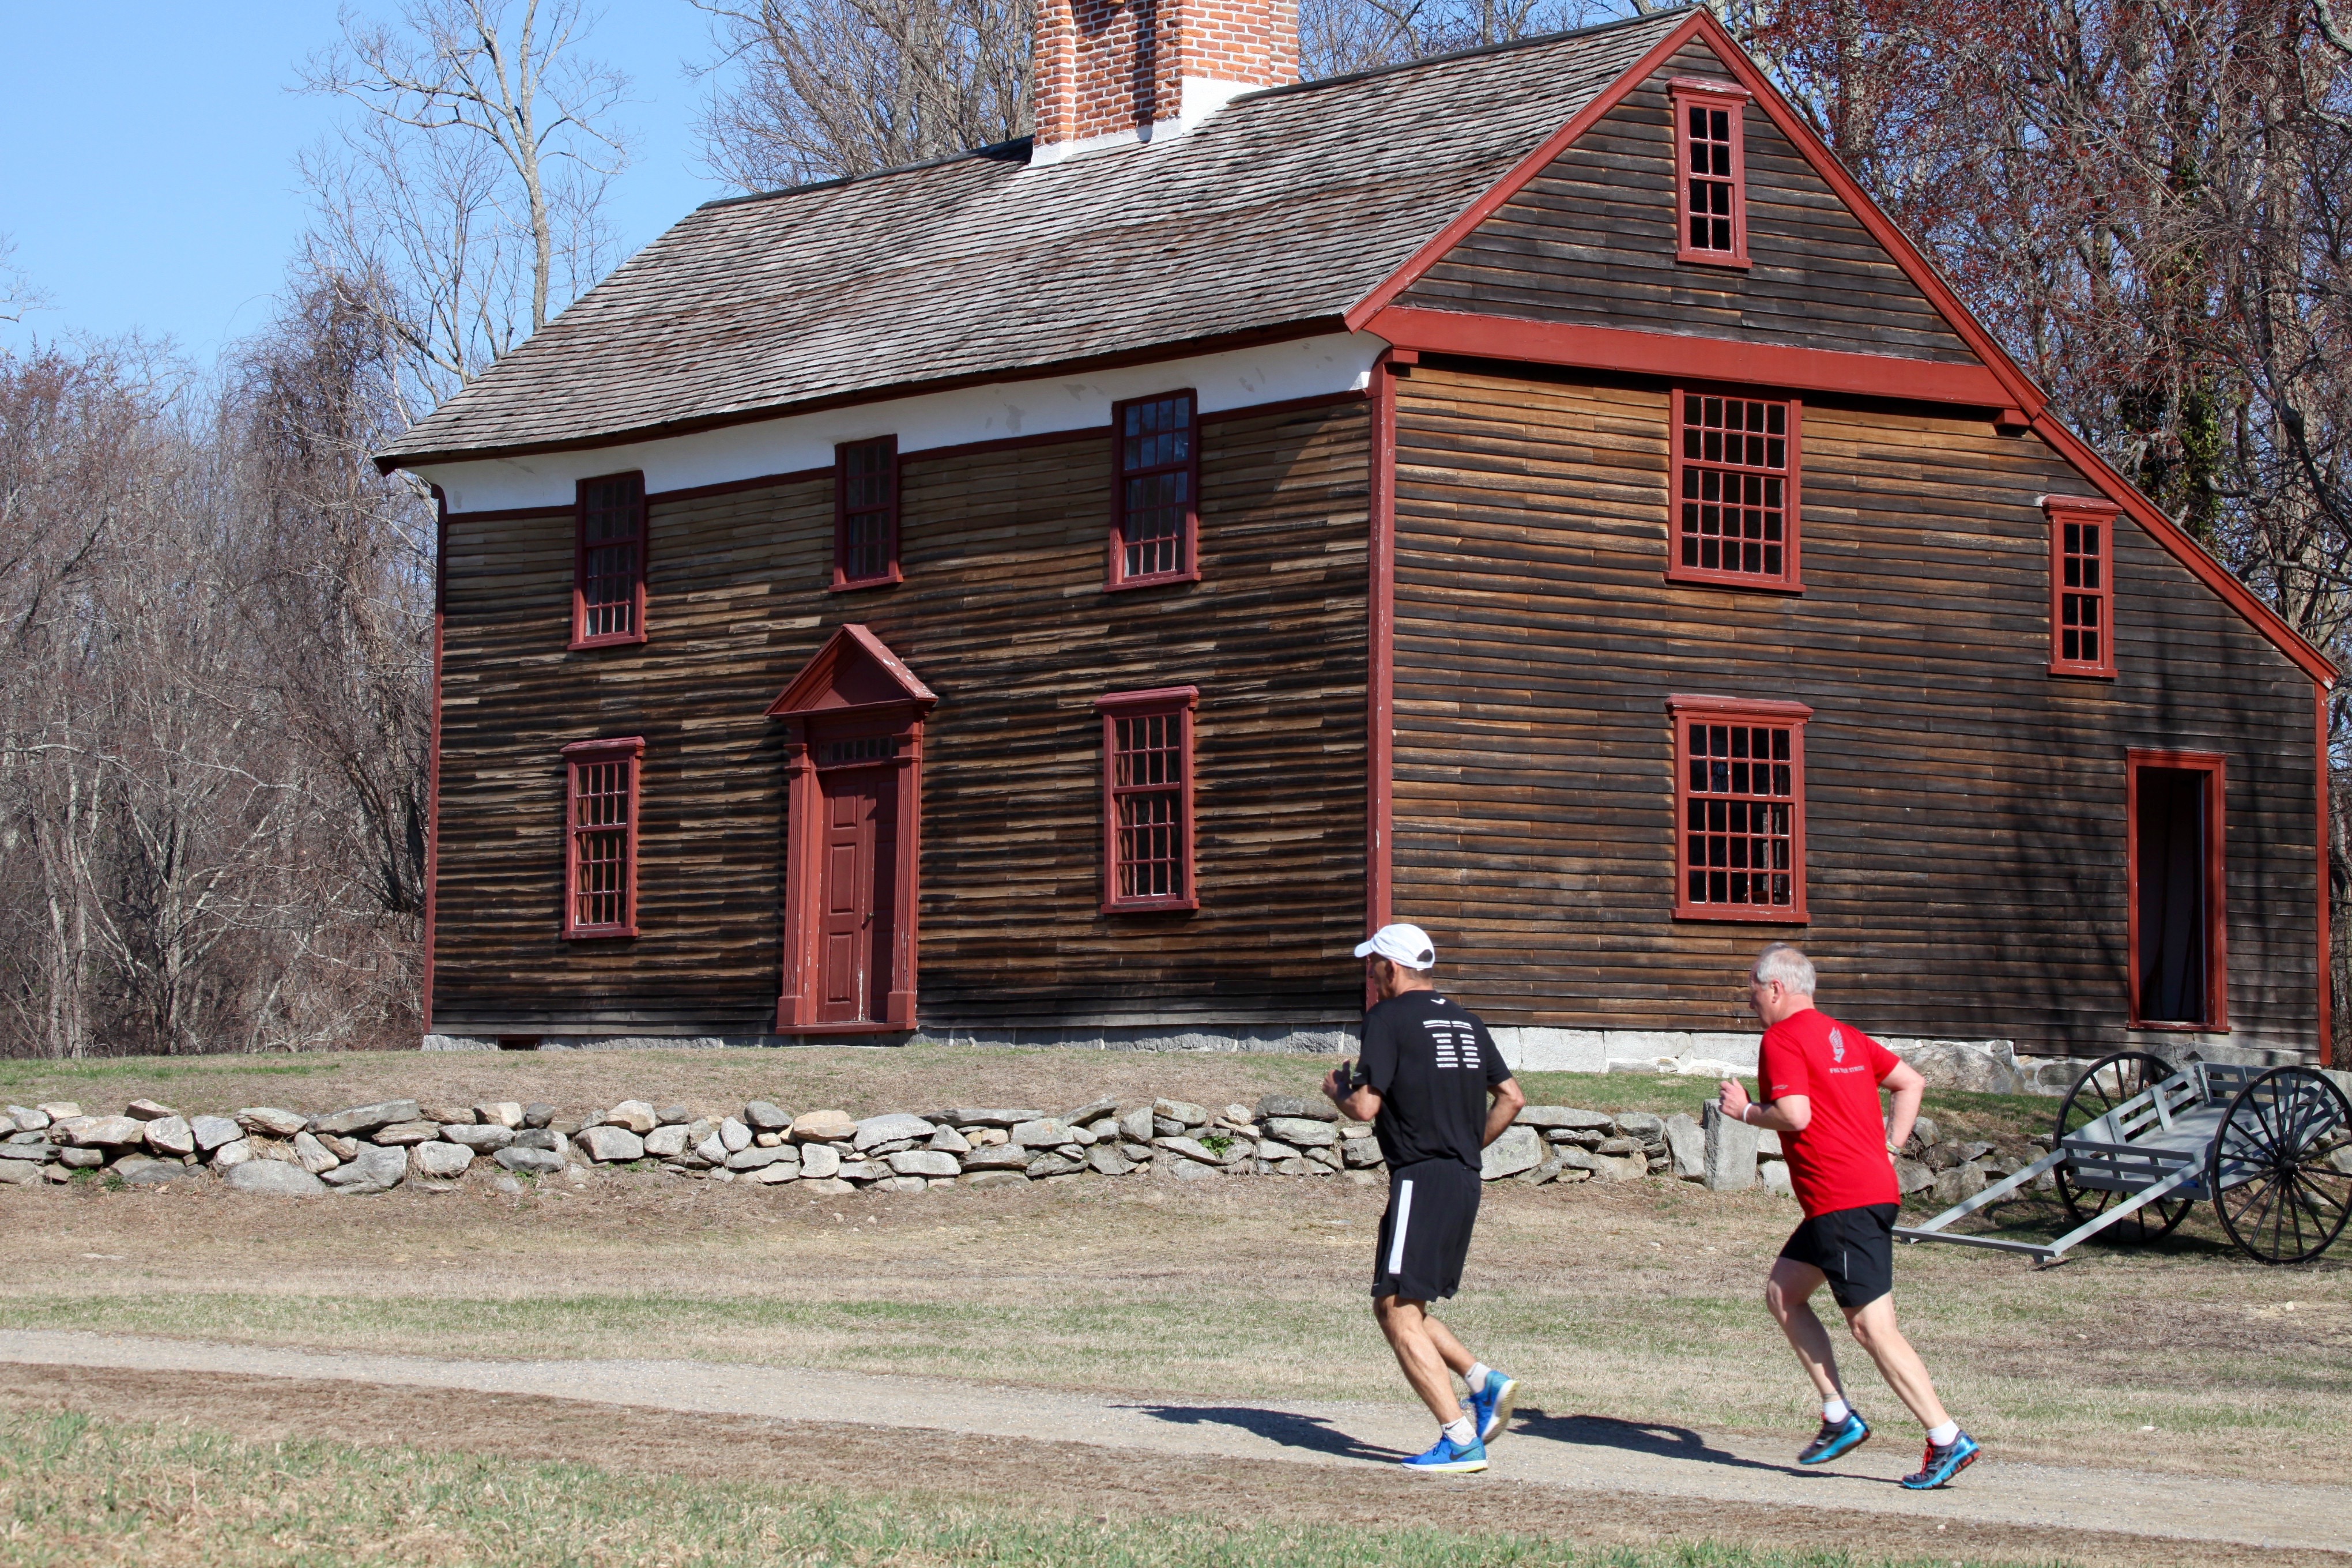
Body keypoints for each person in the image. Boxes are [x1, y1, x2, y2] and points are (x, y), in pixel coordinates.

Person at [1717, 942, 1980, 1490]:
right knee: (1783, 1293)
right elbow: (1912, 1082)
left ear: (1776, 989)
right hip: (1860, 1194)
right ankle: (1839, 1415)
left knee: (1872, 1327)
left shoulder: (1782, 1038)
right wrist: (1890, 1148)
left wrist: (1743, 1111)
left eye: (1753, 994)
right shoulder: (1849, 1037)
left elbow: (1794, 1113)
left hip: (1842, 1201)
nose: (1752, 1005)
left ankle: (1946, 1435)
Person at [1324, 921, 1527, 1475]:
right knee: (1401, 1303)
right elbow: (1512, 1098)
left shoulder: (1386, 1019)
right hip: (1462, 1179)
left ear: (1392, 967)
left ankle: (1460, 1438)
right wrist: (1465, 1146)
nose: (1370, 975)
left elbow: (1367, 1108)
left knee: (1395, 1310)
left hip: (1420, 1177)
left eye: (1373, 966)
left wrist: (1340, 1094)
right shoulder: (1466, 1020)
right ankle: (1485, 1382)